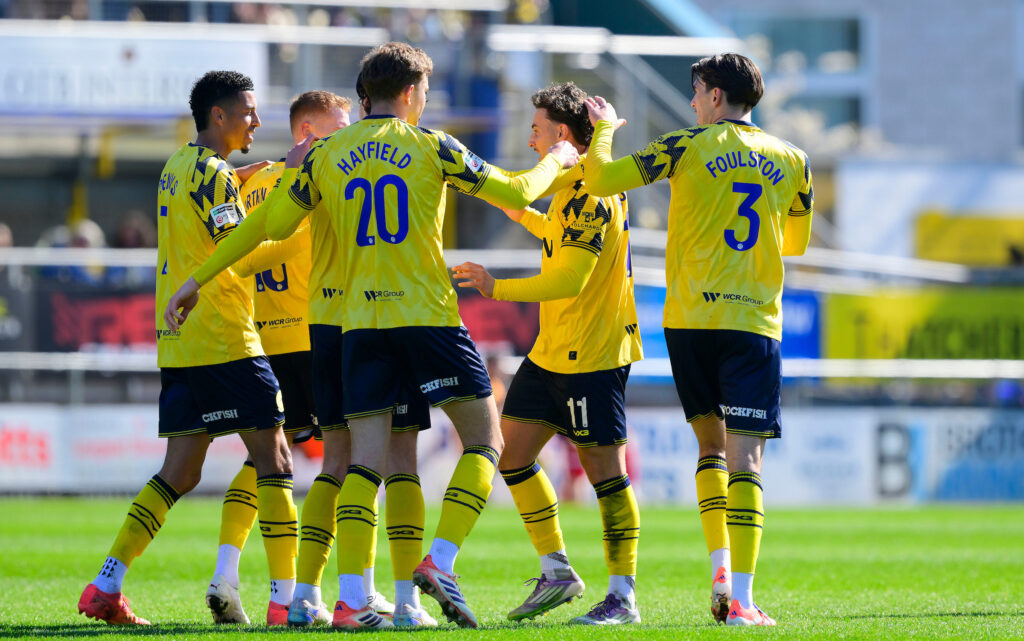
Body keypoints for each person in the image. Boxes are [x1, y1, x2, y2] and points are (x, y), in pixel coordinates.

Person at [166, 41, 579, 630]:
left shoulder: (326, 153)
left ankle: (352, 597)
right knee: (486, 440)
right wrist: (558, 157)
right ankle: (438, 562)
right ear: (410, 92)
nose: (426, 100)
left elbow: (266, 225)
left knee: (360, 464)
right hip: (427, 317)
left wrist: (196, 278)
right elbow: (517, 192)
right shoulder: (432, 145)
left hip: (357, 326)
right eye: (425, 91)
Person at [582, 53, 814, 627]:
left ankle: (720, 568)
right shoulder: (794, 160)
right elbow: (796, 244)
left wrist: (604, 129)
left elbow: (601, 180)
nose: (691, 102)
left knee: (710, 449)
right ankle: (742, 601)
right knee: (747, 460)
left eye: (696, 91)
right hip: (752, 323)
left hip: (689, 322)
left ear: (714, 96)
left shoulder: (685, 146)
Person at [77, 70, 306, 627]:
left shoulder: (177, 167)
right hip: (225, 337)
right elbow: (241, 255)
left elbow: (206, 216)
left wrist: (243, 177)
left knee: (179, 473)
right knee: (275, 460)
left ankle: (106, 583)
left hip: (180, 345)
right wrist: (300, 217)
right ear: (219, 116)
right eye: (248, 112)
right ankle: (287, 602)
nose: (257, 121)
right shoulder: (215, 176)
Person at [200, 90, 436, 629]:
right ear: (306, 131)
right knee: (354, 464)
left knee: (265, 462)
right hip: (320, 336)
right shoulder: (326, 176)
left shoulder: (253, 183)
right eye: (337, 127)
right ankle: (348, 591)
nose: (349, 135)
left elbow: (235, 245)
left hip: (264, 341)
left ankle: (234, 573)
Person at [452, 81, 643, 626]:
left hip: (594, 355)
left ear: (561, 132)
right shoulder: (573, 185)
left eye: (536, 130)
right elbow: (559, 235)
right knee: (511, 455)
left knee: (605, 474)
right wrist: (521, 215)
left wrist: (496, 287)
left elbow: (569, 278)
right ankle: (557, 570)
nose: (530, 139)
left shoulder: (593, 194)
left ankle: (622, 597)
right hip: (552, 351)